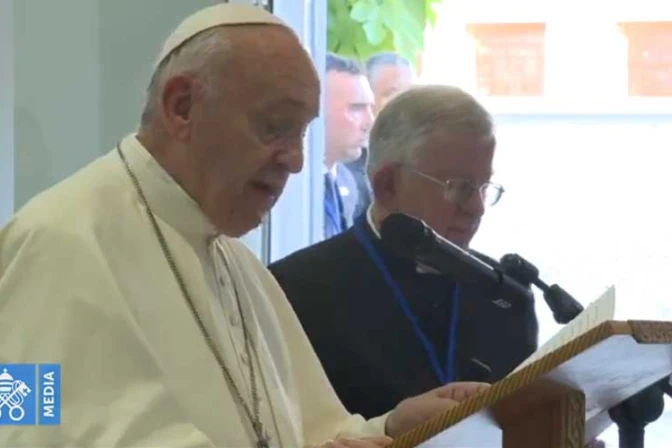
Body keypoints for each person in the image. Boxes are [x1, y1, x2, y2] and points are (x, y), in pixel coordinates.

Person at [0, 5, 489, 448]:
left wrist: (390, 429)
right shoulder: (54, 240)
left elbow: (306, 434)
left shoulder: (237, 263)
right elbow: (20, 423)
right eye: (274, 127)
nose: (295, 161)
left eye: (302, 133)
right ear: (181, 106)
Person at [269, 85, 539, 420]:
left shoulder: (505, 294)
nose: (477, 208)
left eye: (484, 188)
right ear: (387, 185)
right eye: (459, 187)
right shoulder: (292, 290)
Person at [341, 52, 416, 224]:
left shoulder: (418, 159)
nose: (403, 102)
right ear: (366, 96)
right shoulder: (348, 163)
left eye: (409, 93)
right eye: (391, 93)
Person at [324, 53, 375, 238]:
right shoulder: (291, 185)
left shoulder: (347, 181)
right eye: (356, 108)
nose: (370, 122)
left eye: (370, 108)